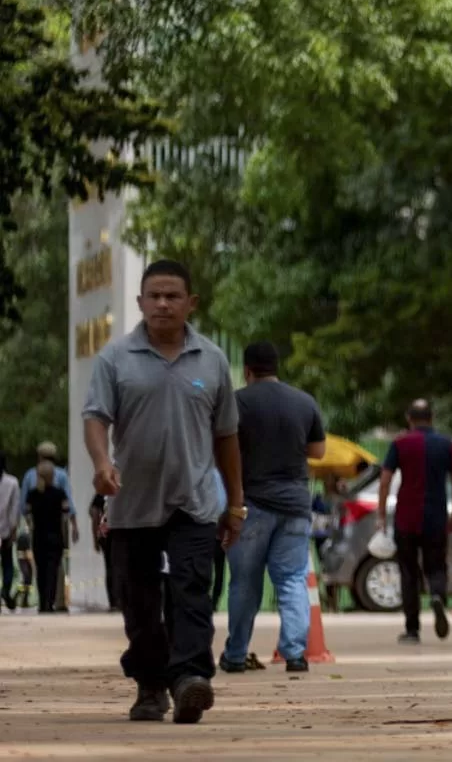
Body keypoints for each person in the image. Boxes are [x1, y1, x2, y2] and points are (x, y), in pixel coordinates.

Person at [82, 259, 245, 725]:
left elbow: (227, 437)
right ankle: (151, 686)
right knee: (139, 602)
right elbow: (96, 417)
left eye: (173, 296)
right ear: (139, 302)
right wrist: (101, 464)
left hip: (193, 502)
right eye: (154, 295)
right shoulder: (116, 358)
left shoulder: (211, 360)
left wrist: (235, 504)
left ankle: (190, 679)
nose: (162, 304)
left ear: (191, 303)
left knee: (192, 590)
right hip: (131, 503)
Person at [221, 342, 327, 674]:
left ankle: (236, 655)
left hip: (250, 506)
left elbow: (223, 449)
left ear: (248, 370)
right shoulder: (304, 402)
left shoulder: (238, 402)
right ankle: (295, 654)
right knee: (293, 579)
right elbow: (319, 451)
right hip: (295, 505)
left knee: (244, 583)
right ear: (276, 366)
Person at [377, 399, 452, 645]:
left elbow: (384, 480)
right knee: (436, 566)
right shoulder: (446, 444)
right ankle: (437, 595)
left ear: (409, 418)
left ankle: (412, 629)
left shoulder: (400, 443)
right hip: (436, 516)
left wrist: (381, 514)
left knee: (408, 572)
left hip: (406, 518)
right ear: (432, 417)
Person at [23, 459, 74, 612]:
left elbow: (26, 513)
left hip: (38, 536)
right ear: (52, 476)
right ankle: (49, 602)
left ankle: (42, 602)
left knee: (41, 570)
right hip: (55, 536)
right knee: (52, 570)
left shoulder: (32, 495)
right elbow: (66, 512)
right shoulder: (59, 493)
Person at [1, 451, 18, 612]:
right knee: (7, 564)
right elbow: (14, 509)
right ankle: (5, 589)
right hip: (5, 530)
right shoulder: (12, 482)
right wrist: (13, 529)